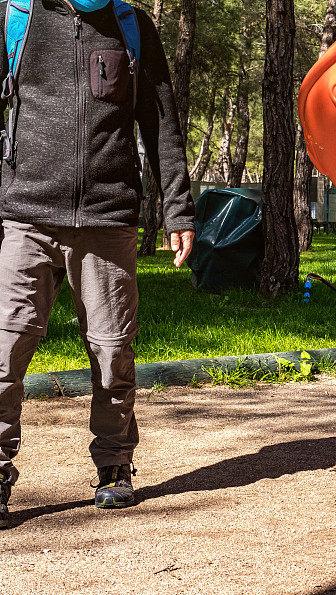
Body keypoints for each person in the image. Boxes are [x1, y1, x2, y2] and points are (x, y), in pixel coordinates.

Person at [0, 0, 194, 528]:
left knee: (112, 353)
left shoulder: (132, 26)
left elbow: (161, 122)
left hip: (109, 218)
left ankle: (114, 464)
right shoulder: (16, 17)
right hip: (25, 216)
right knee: (4, 351)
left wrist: (179, 209)